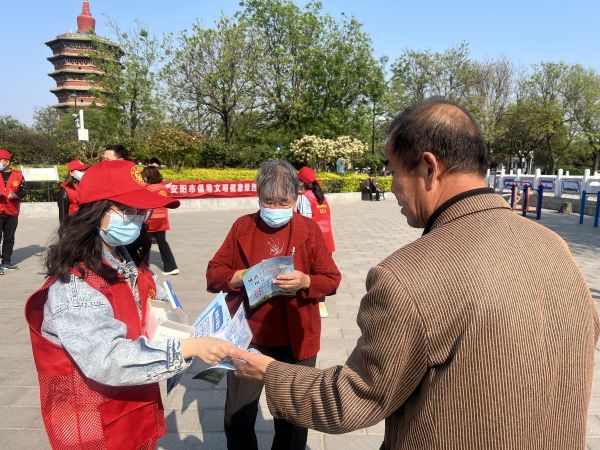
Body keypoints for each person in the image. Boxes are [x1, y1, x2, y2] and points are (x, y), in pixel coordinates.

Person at [232, 98, 599, 449]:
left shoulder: (408, 275)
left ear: (428, 167)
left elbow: (355, 399)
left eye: (393, 172)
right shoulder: (557, 247)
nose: (391, 188)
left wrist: (270, 372)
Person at [25, 160, 232, 449]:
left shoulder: (128, 261)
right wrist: (187, 349)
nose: (136, 218)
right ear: (96, 211)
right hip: (93, 427)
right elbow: (105, 359)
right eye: (127, 210)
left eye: (141, 211)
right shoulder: (75, 285)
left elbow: (160, 306)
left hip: (132, 410)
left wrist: (193, 333)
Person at [206, 160, 341, 450]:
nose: (275, 208)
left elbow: (331, 278)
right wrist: (238, 277)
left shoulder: (308, 230)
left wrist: (305, 281)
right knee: (237, 417)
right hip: (248, 338)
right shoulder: (243, 227)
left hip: (297, 340)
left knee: (292, 420)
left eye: (284, 202)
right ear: (258, 197)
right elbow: (214, 272)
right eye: (269, 201)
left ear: (296, 198)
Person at [296, 166, 335, 318]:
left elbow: (305, 222)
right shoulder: (321, 197)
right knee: (323, 272)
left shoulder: (304, 197)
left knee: (310, 272)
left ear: (301, 182)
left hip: (313, 241)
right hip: (328, 240)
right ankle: (322, 304)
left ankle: (312, 305)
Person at [141, 165, 179, 275]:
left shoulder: (147, 189)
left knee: (145, 243)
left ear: (147, 176)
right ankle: (171, 267)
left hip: (150, 219)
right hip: (162, 219)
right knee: (162, 242)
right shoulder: (163, 188)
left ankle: (143, 267)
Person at [0, 148, 26, 274]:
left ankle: (6, 261)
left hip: (12, 211)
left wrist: (16, 196)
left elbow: (24, 191)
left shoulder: (18, 175)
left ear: (7, 161)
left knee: (9, 238)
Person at [57, 159, 88, 224]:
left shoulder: (85, 186)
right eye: (80, 170)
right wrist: (63, 232)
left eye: (83, 170)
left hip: (85, 225)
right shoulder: (65, 191)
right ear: (71, 173)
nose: (83, 172)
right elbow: (62, 216)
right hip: (72, 227)